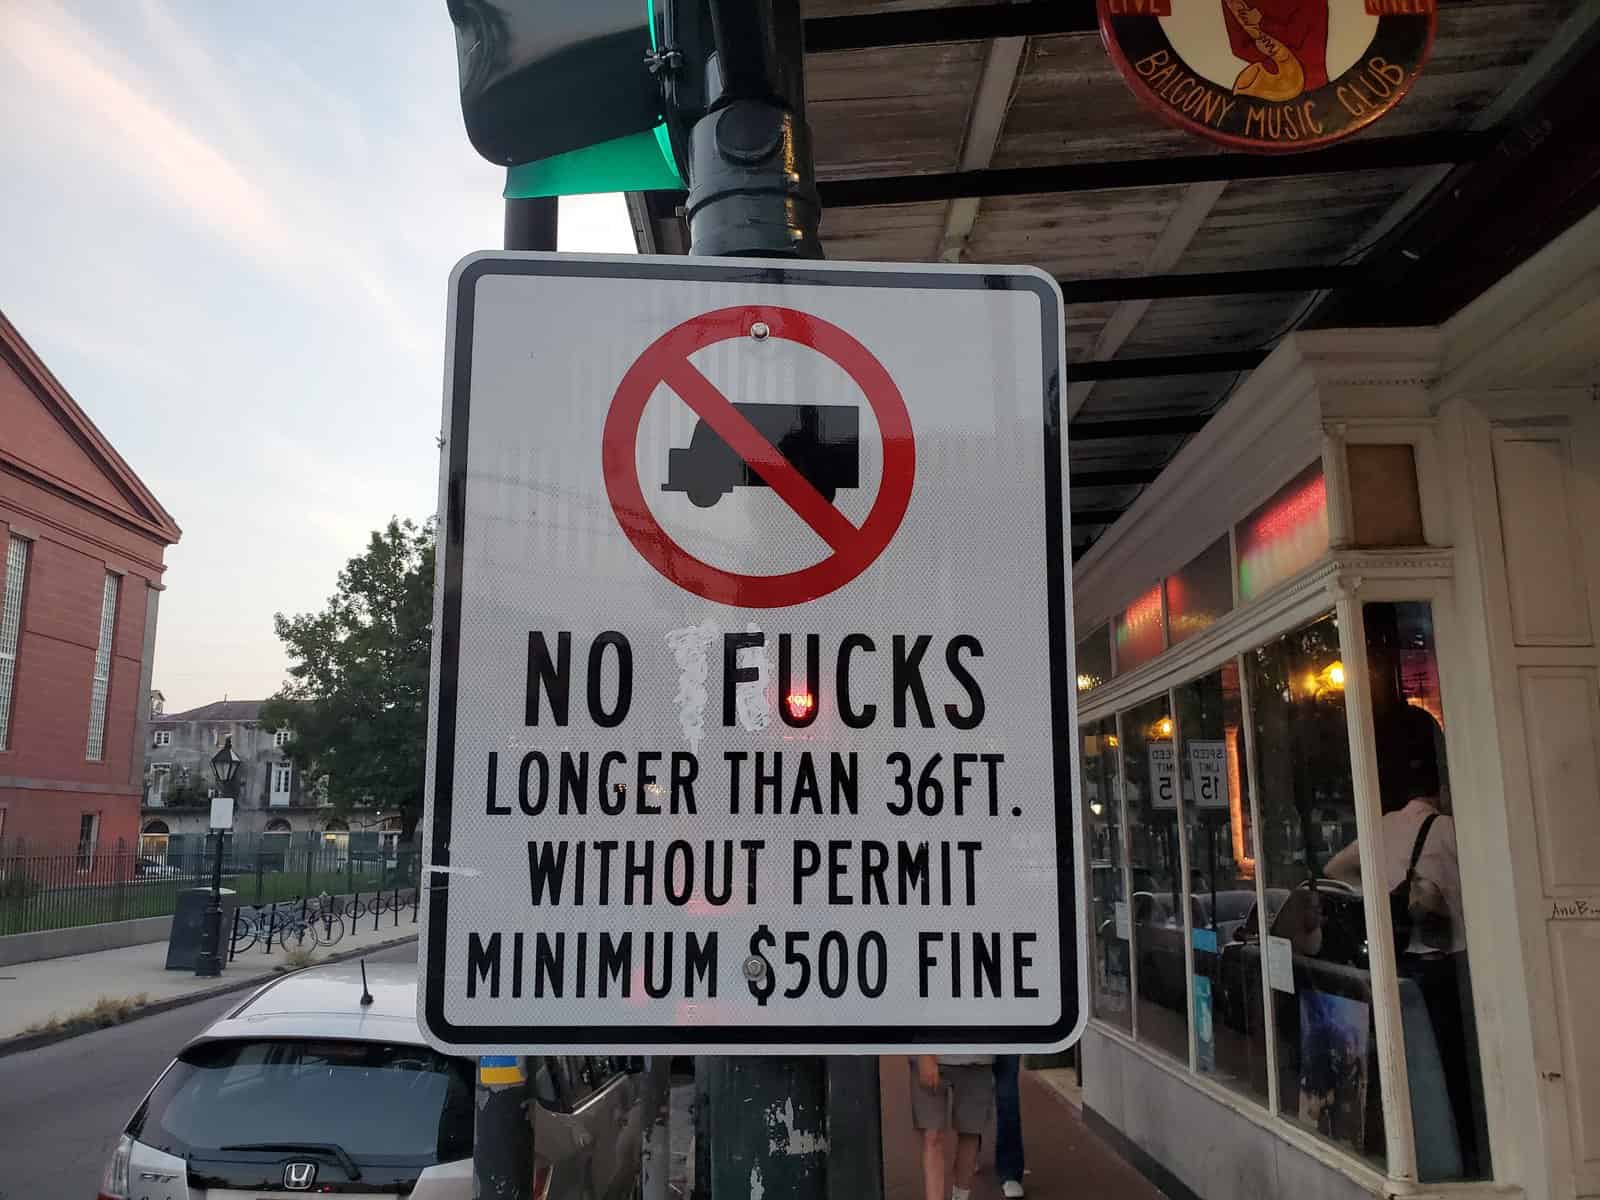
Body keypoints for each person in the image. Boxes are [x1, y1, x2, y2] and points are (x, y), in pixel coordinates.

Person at [1324, 703, 1483, 1176]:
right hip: (1452, 968)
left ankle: (1426, 1150)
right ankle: (1469, 1153)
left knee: (1416, 1068)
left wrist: (1379, 890)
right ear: (1441, 784)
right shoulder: (1451, 828)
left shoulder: (1384, 828)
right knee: (1461, 1067)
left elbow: (1334, 869)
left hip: (1403, 967)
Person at [912, 1054, 993, 1200]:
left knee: (970, 1132)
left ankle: (960, 1196)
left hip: (978, 1056)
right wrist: (923, 1053)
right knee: (932, 1135)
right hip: (930, 1053)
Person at [992, 1054, 1025, 1197]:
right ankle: (972, 1148)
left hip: (1007, 1043)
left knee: (1007, 1097)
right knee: (974, 1093)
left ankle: (1010, 1173)